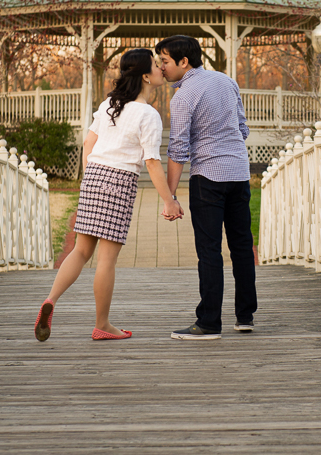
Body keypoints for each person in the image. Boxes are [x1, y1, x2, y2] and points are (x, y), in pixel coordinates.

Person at [34, 48, 182, 342]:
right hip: (120, 180)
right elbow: (152, 162)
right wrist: (169, 200)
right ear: (145, 77)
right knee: (106, 260)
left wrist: (89, 180)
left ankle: (51, 299)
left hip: (94, 175)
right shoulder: (148, 115)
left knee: (80, 250)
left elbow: (88, 145)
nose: (159, 69)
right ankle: (102, 324)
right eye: (155, 65)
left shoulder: (110, 104)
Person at [156, 35, 257, 340]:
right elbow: (243, 128)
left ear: (183, 62)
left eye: (164, 61)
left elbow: (178, 150)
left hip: (208, 178)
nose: (161, 68)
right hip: (239, 173)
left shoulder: (183, 97)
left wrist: (170, 196)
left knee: (210, 250)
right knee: (242, 246)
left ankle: (209, 322)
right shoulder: (226, 81)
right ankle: (245, 316)